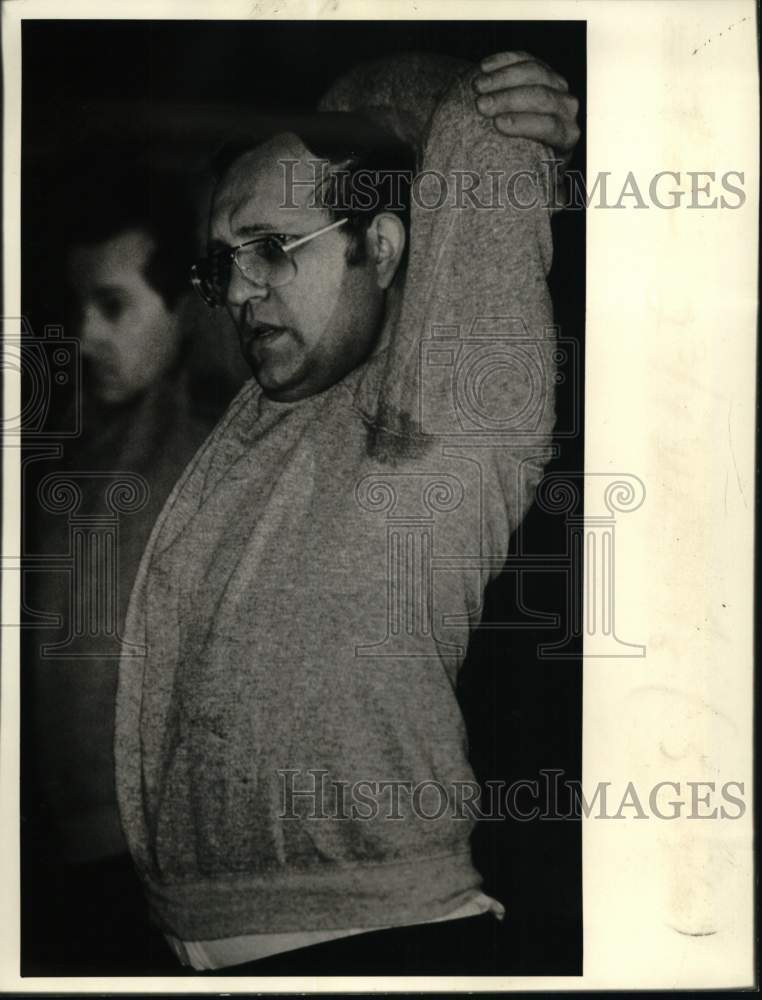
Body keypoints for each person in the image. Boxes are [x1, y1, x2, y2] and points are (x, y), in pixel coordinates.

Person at [114, 50, 580, 975]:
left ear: (386, 246)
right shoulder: (280, 412)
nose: (237, 291)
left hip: (373, 946)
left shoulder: (444, 406)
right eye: (225, 262)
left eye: (271, 248)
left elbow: (476, 129)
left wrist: (507, 114)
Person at [21, 168, 242, 974]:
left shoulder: (219, 450)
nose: (85, 335)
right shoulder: (64, 449)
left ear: (181, 307)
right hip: (59, 852)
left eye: (113, 306)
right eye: (79, 307)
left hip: (168, 865)